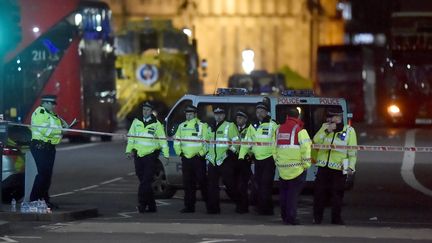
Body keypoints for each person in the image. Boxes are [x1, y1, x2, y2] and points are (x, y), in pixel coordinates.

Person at [312, 106, 357, 225]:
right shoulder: (324, 127)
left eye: (332, 117)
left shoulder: (349, 131)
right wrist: (327, 131)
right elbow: (316, 141)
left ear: (339, 117)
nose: (329, 119)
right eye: (328, 117)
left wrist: (351, 167)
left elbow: (352, 152)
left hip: (339, 168)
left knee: (337, 195)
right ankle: (317, 218)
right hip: (323, 167)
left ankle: (336, 218)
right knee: (319, 194)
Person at [126, 101, 169, 213]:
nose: (145, 112)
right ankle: (152, 205)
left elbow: (163, 140)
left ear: (151, 111)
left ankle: (142, 204)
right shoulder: (136, 122)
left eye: (148, 110)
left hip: (150, 156)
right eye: (144, 109)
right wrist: (128, 151)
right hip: (138, 156)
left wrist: (166, 155)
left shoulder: (156, 124)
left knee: (145, 182)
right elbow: (131, 138)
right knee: (143, 180)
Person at [239, 101, 278, 215]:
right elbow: (247, 142)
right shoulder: (253, 125)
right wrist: (242, 156)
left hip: (269, 159)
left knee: (266, 184)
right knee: (259, 184)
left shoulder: (273, 125)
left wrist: (276, 158)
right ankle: (264, 207)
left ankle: (265, 209)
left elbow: (277, 142)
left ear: (267, 112)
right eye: (257, 112)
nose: (259, 114)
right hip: (258, 160)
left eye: (262, 111)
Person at [30, 94, 69, 208]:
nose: (53, 106)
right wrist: (61, 132)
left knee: (47, 176)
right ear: (45, 103)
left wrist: (64, 127)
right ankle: (34, 200)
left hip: (49, 148)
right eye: (52, 104)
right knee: (42, 175)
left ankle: (44, 200)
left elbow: (55, 130)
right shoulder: (40, 113)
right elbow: (44, 131)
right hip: (40, 147)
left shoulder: (52, 115)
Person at [274, 108, 312, 225]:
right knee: (293, 195)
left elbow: (274, 148)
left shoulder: (279, 129)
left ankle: (284, 216)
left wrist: (278, 162)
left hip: (282, 168)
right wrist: (306, 164)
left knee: (284, 194)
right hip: (296, 169)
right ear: (298, 116)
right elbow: (306, 149)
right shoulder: (300, 130)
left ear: (287, 116)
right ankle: (291, 218)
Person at [174, 105, 208, 213]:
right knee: (188, 184)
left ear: (195, 114)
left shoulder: (202, 126)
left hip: (198, 159)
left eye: (190, 114)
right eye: (187, 114)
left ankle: (210, 205)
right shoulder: (181, 126)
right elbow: (176, 141)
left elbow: (207, 142)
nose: (188, 116)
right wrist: (180, 153)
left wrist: (201, 154)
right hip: (186, 159)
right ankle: (189, 206)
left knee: (203, 182)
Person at [205, 106, 240, 214]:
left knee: (230, 185)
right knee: (212, 187)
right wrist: (207, 155)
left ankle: (240, 203)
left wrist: (230, 152)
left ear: (224, 115)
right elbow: (206, 143)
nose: (218, 116)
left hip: (225, 160)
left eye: (220, 114)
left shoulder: (230, 126)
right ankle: (213, 208)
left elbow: (237, 142)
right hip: (212, 161)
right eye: (216, 114)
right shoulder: (210, 127)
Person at [232, 110, 252, 213]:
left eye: (240, 118)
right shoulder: (234, 129)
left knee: (242, 185)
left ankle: (244, 207)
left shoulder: (249, 129)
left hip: (245, 161)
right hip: (235, 161)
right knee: (235, 184)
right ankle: (239, 204)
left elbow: (252, 145)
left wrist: (250, 156)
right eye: (237, 118)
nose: (238, 120)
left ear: (245, 119)